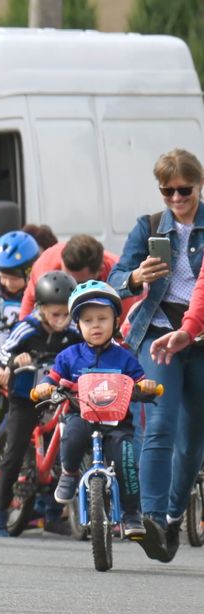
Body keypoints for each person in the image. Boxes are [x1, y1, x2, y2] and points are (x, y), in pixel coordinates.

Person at [116, 148, 204, 561]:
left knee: (191, 441)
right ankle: (150, 518)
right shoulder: (149, 226)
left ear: (198, 186)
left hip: (199, 337)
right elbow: (115, 279)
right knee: (160, 425)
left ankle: (171, 517)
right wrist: (136, 277)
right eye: (167, 191)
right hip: (157, 332)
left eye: (183, 190)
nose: (175, 198)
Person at [32, 281, 158, 540]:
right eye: (88, 320)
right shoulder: (69, 356)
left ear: (115, 321)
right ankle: (68, 473)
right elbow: (52, 378)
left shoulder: (124, 356)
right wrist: (46, 387)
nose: (96, 325)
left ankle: (132, 513)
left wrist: (146, 385)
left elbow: (140, 380)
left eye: (102, 318)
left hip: (116, 422)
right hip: (82, 414)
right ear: (78, 324)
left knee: (125, 460)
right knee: (73, 433)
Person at [0, 271, 81, 537]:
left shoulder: (74, 331)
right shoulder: (27, 328)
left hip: (60, 397)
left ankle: (53, 514)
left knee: (67, 450)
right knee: (14, 453)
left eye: (66, 314)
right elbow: (2, 353)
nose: (62, 321)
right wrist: (10, 364)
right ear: (40, 309)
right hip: (26, 398)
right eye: (55, 315)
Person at [19, 234, 130, 319]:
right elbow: (29, 302)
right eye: (63, 277)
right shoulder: (45, 266)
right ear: (61, 260)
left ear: (99, 270)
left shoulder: (121, 281)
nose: (70, 287)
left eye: (79, 284)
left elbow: (125, 335)